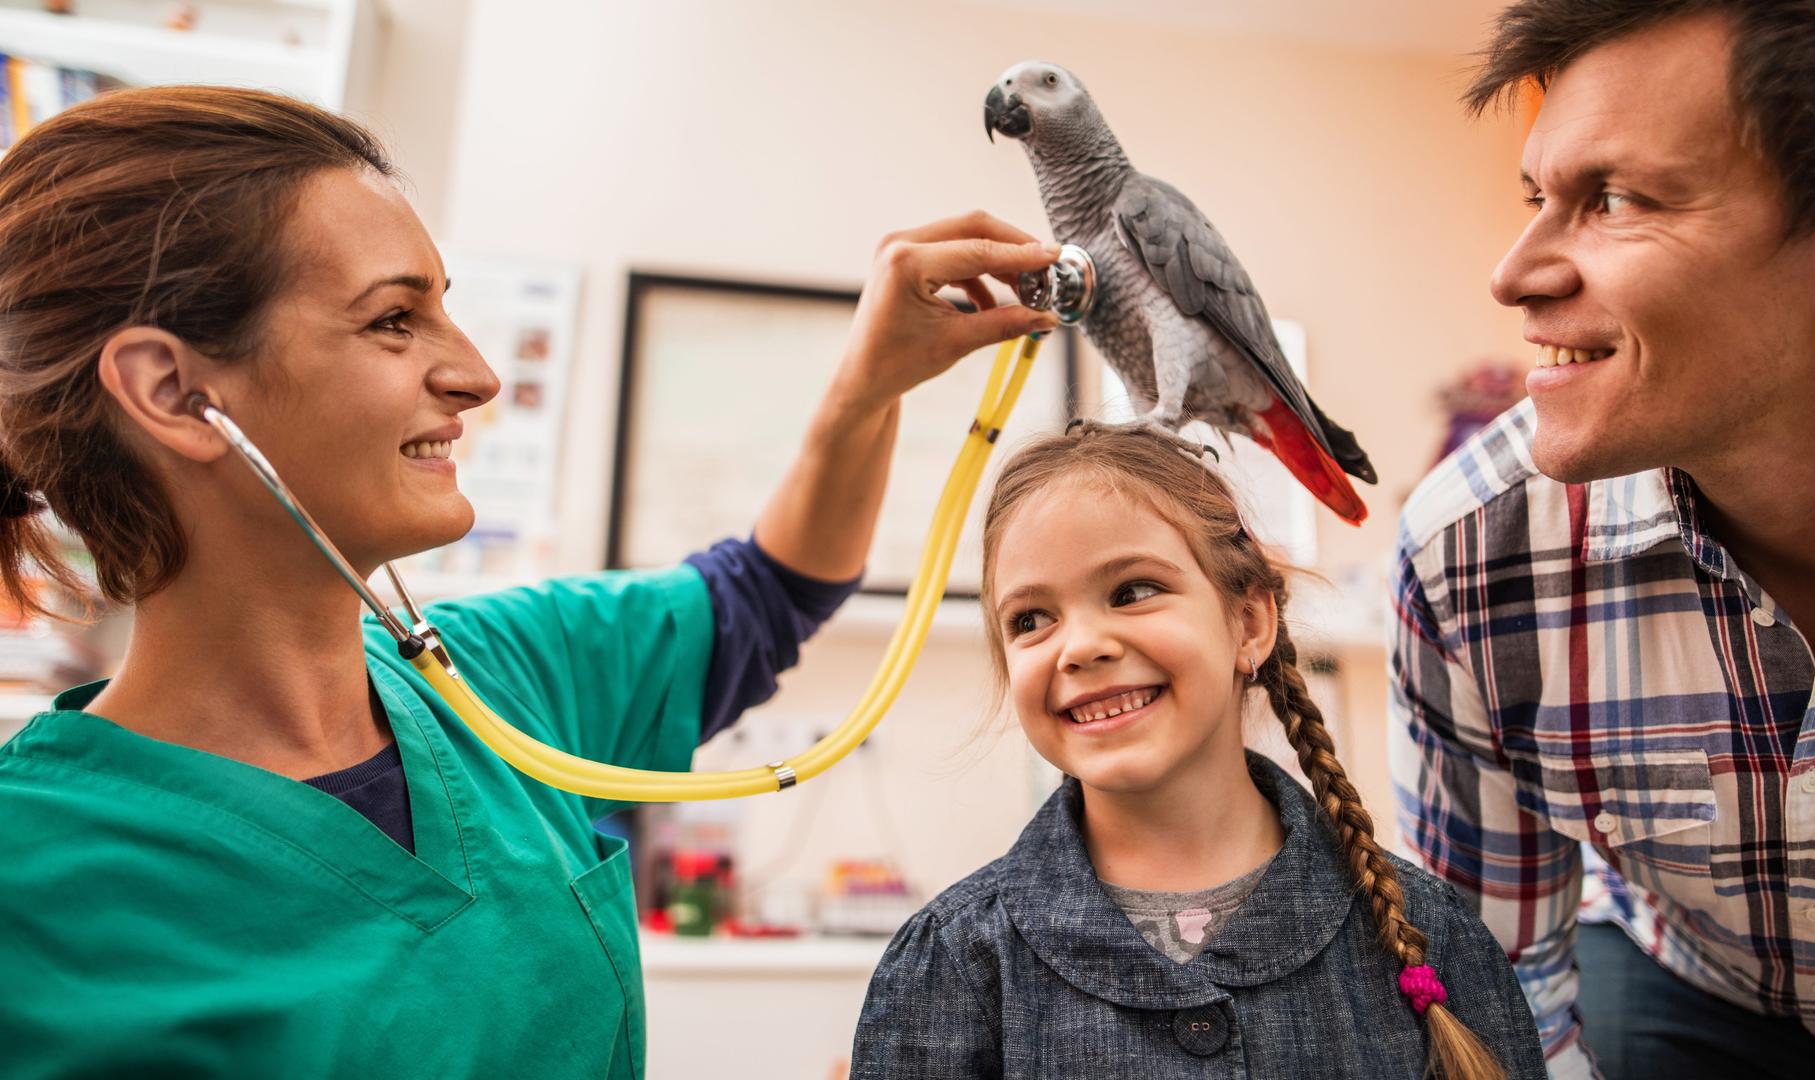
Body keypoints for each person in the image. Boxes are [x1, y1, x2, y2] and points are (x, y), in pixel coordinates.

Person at [0, 86, 1060, 1077]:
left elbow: (768, 594)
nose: (476, 374)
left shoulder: (499, 684)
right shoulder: (35, 883)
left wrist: (867, 384)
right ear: (177, 394)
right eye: (393, 319)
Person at [1389, 3, 1815, 1076]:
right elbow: (1498, 1007)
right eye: (1538, 198)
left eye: (1616, 198)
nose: (1514, 274)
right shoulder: (1470, 557)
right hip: (1678, 976)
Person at [852, 422, 1547, 1078]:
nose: (1081, 645)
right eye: (1030, 619)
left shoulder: (1433, 937)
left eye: (1133, 591)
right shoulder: (948, 963)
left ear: (1248, 623)